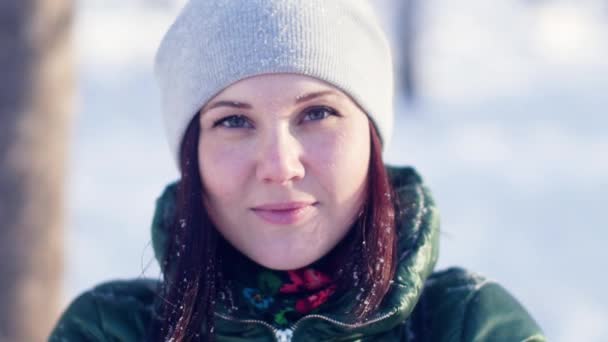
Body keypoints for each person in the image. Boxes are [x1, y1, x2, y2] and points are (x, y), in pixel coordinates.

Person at [49, 1, 546, 341]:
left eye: (316, 114)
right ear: (192, 154)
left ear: (370, 138)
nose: (280, 166)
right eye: (234, 120)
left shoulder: (469, 325)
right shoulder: (110, 329)